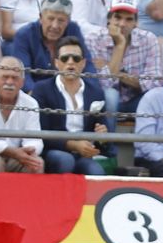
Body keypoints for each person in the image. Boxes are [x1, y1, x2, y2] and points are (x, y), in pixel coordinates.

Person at [32, 38, 111, 174]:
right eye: (64, 58)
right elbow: (40, 133)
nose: (70, 62)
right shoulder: (42, 89)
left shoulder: (96, 92)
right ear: (56, 63)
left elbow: (102, 140)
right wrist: (73, 144)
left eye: (76, 58)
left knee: (96, 171)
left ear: (83, 63)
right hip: (55, 151)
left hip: (84, 154)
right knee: (65, 160)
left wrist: (101, 138)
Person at [0, 54, 49, 173]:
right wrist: (14, 152)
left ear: (22, 82)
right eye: (5, 77)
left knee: (36, 162)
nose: (10, 82)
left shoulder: (30, 103)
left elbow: (35, 140)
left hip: (18, 155)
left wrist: (29, 152)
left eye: (15, 78)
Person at [83, 0, 162, 110]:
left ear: (136, 23)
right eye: (118, 17)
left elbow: (155, 82)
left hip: (136, 99)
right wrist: (120, 45)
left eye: (129, 19)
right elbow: (101, 84)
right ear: (109, 19)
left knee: (154, 97)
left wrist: (115, 71)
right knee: (110, 95)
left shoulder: (148, 39)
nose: (122, 24)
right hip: (104, 100)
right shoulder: (93, 39)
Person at [10, 0, 84, 86]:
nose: (55, 26)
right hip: (35, 91)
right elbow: (23, 74)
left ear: (68, 21)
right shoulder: (24, 34)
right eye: (50, 19)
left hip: (67, 89)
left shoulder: (73, 30)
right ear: (41, 17)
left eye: (61, 20)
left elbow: (86, 66)